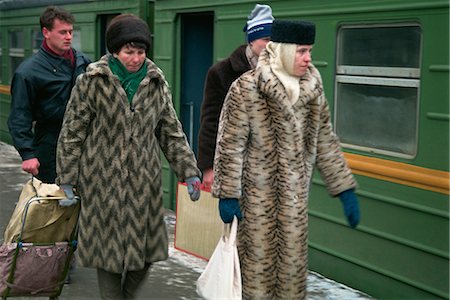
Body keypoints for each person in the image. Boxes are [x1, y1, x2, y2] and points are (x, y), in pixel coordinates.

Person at [55, 14, 201, 299]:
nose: (135, 58)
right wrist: (67, 180)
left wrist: (189, 171)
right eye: (128, 52)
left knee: (147, 254)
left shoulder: (156, 83)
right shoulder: (92, 83)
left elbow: (170, 132)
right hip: (102, 184)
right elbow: (72, 133)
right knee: (108, 258)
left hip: (143, 186)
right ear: (114, 51)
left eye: (140, 51)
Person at [212, 19, 361, 299]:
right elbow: (229, 145)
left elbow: (325, 140)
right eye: (302, 51)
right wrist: (228, 194)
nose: (308, 59)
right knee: (254, 287)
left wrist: (344, 189)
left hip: (294, 210)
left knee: (291, 285)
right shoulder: (247, 89)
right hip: (255, 211)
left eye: (310, 52)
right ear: (283, 51)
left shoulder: (312, 90)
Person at [8, 5, 91, 184]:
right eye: (62, 32)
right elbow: (19, 115)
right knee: (53, 204)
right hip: (49, 146)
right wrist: (27, 154)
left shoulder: (82, 62)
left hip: (83, 143)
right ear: (46, 32)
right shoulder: (28, 72)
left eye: (70, 32)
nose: (69, 37)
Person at [197, 3, 274, 188]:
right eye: (265, 39)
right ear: (252, 40)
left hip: (270, 168)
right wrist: (208, 166)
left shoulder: (281, 73)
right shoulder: (222, 72)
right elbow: (211, 120)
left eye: (274, 40)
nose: (271, 45)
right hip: (234, 164)